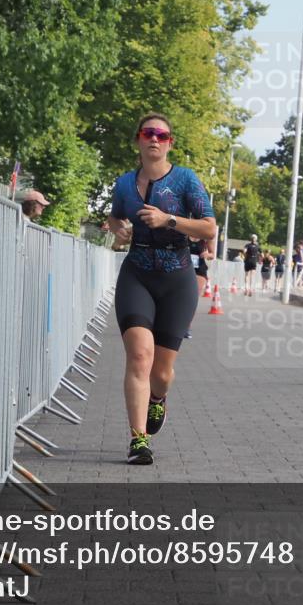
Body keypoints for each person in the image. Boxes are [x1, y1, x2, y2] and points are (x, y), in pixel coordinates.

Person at [105, 113, 217, 465]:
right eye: (148, 133)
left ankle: (157, 399)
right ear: (138, 139)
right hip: (137, 272)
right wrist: (118, 230)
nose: (155, 138)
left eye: (162, 134)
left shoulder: (185, 180)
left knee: (162, 373)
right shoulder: (124, 184)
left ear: (169, 142)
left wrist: (169, 220)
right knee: (139, 356)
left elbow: (209, 228)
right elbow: (114, 216)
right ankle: (139, 440)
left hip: (178, 277)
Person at [185, 235, 215, 339]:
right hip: (183, 268)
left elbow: (212, 254)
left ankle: (187, 327)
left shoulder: (206, 237)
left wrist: (207, 254)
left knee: (192, 299)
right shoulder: (185, 234)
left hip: (199, 270)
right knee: (179, 298)